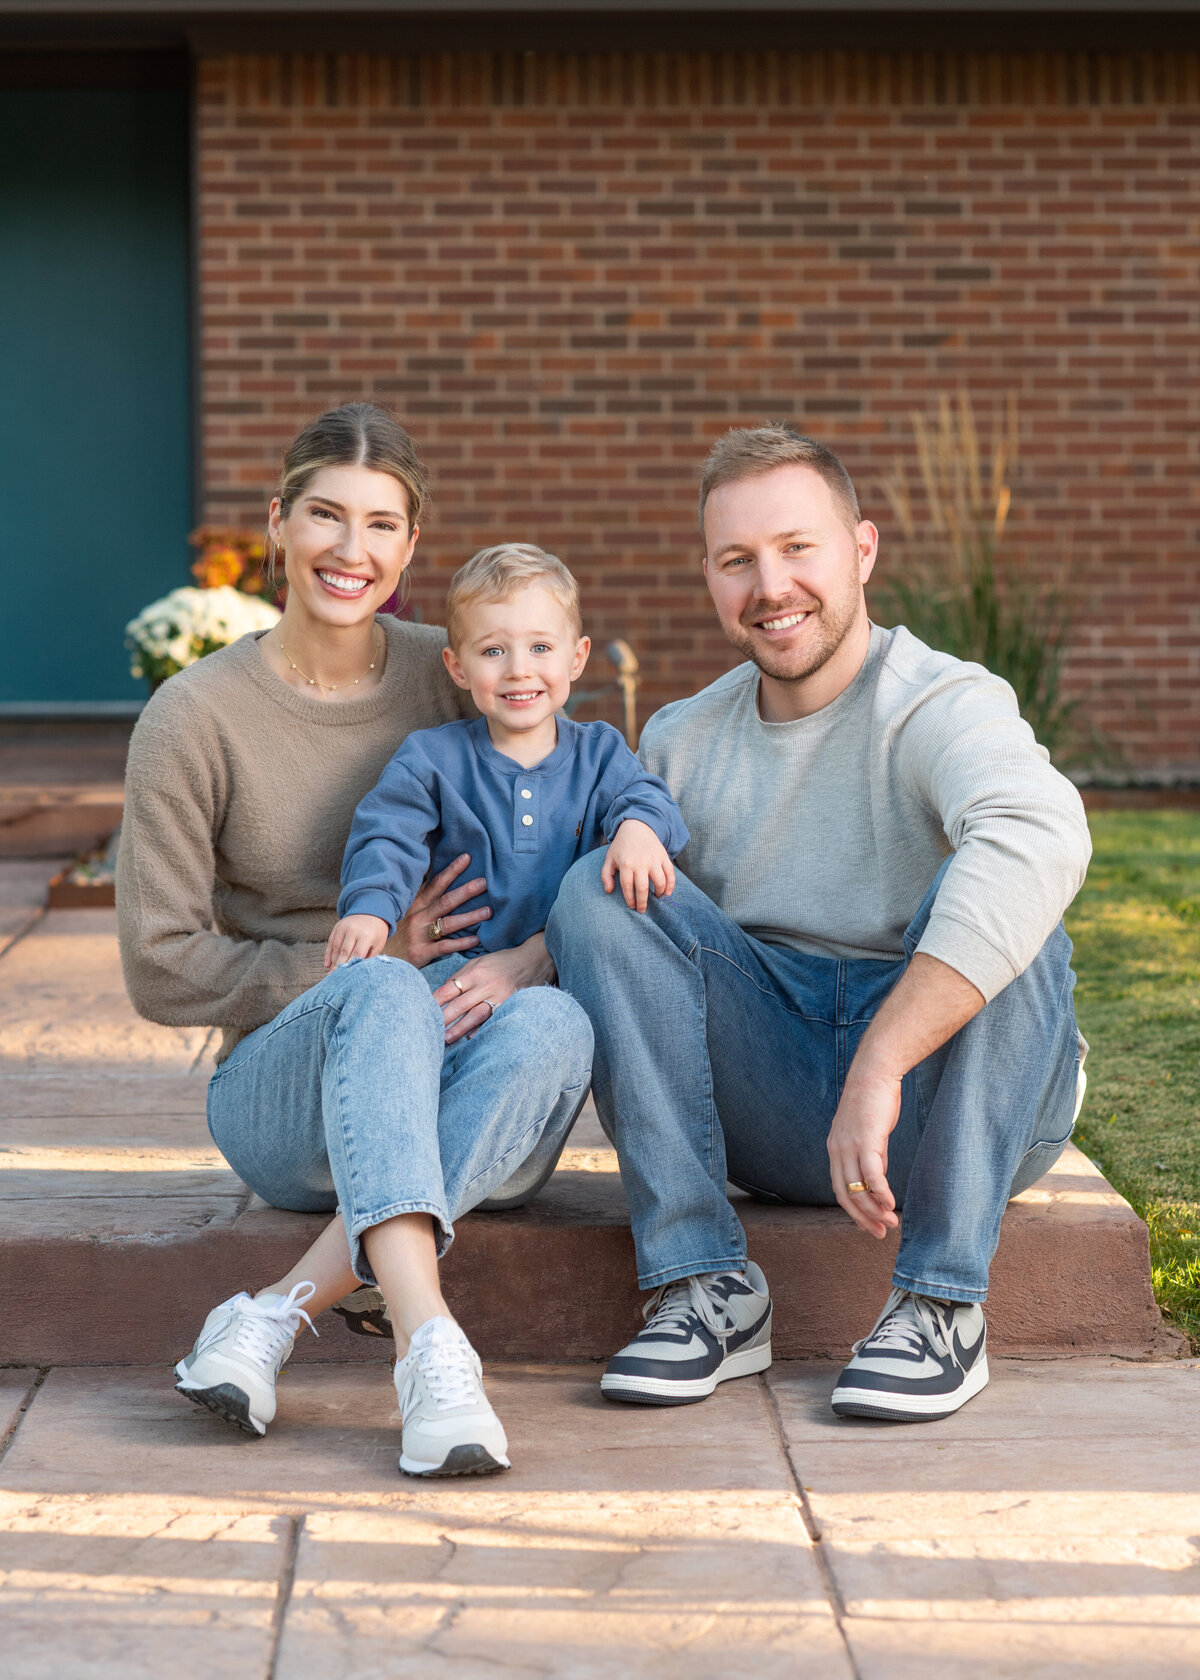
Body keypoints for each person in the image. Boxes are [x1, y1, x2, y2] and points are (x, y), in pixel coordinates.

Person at [546, 422, 1091, 1422]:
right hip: (775, 1090)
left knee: (1019, 903)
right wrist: (512, 959)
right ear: (710, 578)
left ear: (862, 551)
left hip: (949, 1104)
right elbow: (631, 937)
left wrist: (881, 1063)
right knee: (597, 885)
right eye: (737, 560)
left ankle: (940, 1305)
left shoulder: (941, 703)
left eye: (799, 548)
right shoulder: (681, 737)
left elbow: (1041, 836)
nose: (771, 586)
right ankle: (705, 1285)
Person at [117, 403, 595, 1478]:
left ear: (412, 546)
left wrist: (530, 957)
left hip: (468, 1091)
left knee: (559, 1019)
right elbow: (161, 963)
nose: (352, 550)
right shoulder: (196, 717)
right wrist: (367, 962)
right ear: (278, 522)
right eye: (326, 516)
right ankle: (431, 1344)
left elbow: (576, 813)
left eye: (382, 525)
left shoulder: (460, 663)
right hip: (287, 1106)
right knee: (381, 989)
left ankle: (271, 1320)